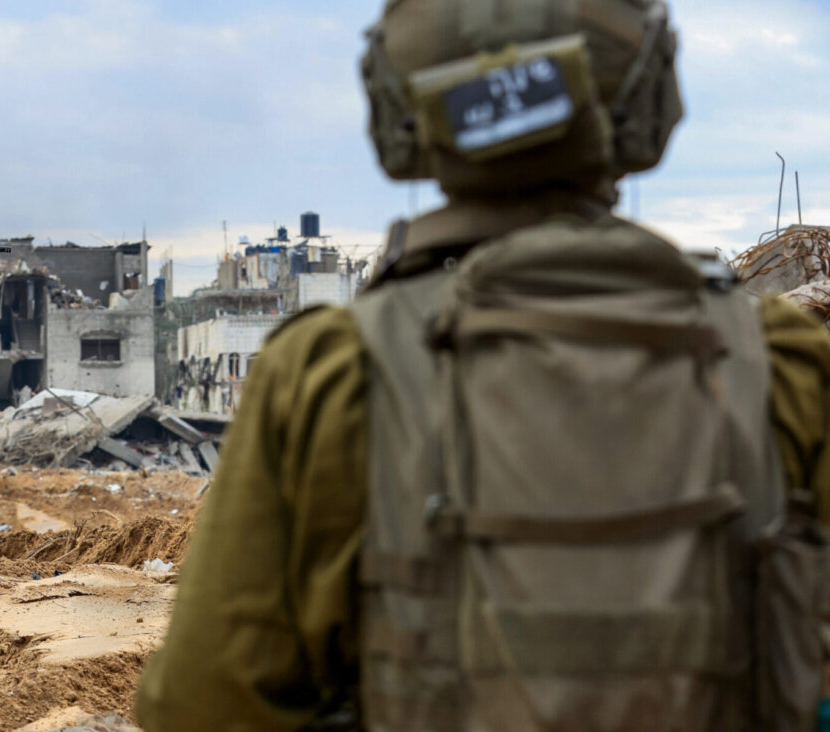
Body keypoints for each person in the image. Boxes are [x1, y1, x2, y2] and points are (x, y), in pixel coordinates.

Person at [136, 2, 830, 730]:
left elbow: (205, 704)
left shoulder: (331, 374)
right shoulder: (779, 364)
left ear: (398, 113)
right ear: (651, 103)